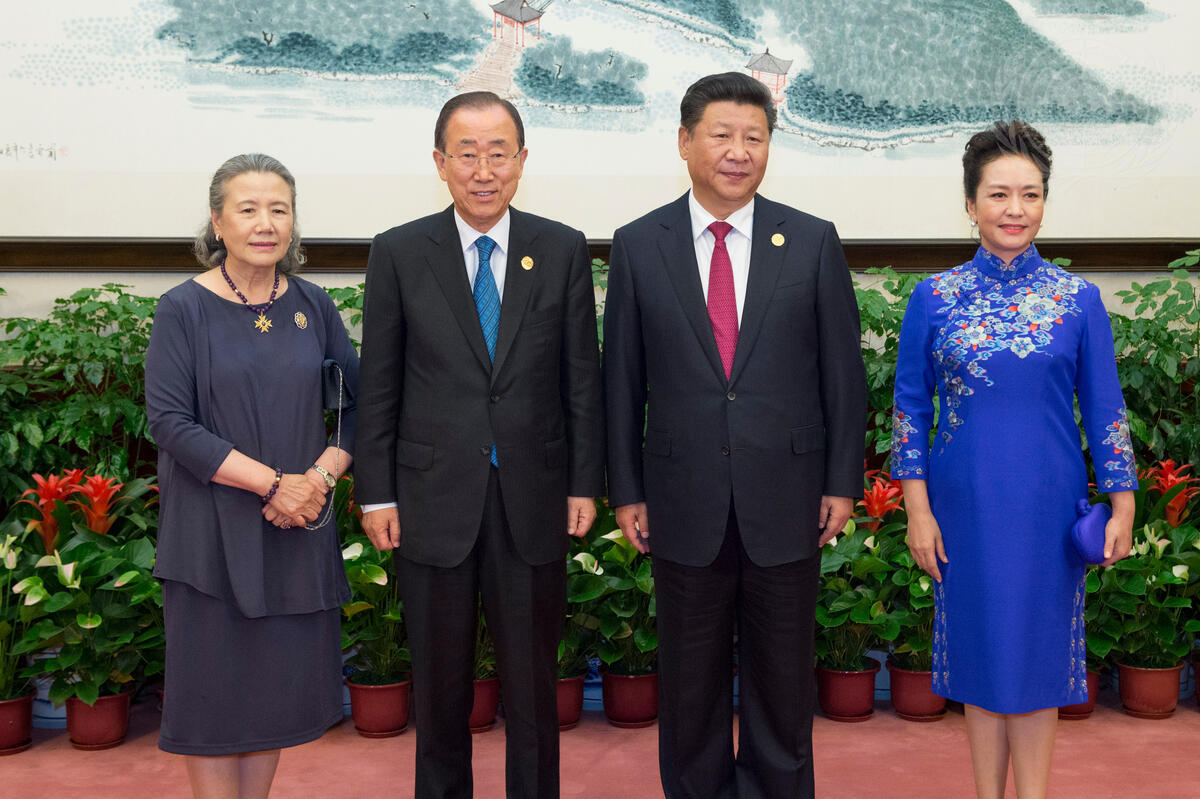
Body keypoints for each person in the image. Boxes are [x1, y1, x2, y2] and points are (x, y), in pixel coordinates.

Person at [603, 72, 868, 799]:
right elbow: (621, 381)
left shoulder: (810, 240)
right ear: (684, 142)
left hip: (788, 497)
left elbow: (843, 378)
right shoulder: (639, 244)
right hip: (680, 498)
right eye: (721, 135)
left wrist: (841, 481)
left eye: (754, 137)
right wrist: (626, 488)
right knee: (689, 687)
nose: (738, 151)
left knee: (783, 685)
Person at [355, 91, 605, 799]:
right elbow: (380, 385)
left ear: (522, 160)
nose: (484, 169)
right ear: (440, 162)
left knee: (534, 691)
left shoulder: (560, 248)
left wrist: (584, 482)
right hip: (431, 499)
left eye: (499, 153)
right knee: (439, 692)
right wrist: (376, 493)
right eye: (467, 153)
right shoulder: (400, 252)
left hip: (534, 497)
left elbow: (581, 379)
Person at [892, 120, 1136, 799]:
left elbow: (1106, 409)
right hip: (963, 508)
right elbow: (909, 410)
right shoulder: (933, 298)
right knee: (982, 658)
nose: (1015, 209)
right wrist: (917, 511)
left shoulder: (1078, 299)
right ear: (970, 204)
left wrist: (1123, 504)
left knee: (1037, 660)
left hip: (1048, 509)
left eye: (1030, 194)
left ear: (1044, 203)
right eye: (999, 194)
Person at [145, 153, 359, 798]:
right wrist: (273, 484)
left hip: (294, 530)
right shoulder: (182, 309)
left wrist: (316, 480)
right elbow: (170, 422)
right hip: (210, 535)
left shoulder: (314, 305)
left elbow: (359, 406)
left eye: (278, 209)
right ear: (217, 222)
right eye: (247, 209)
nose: (265, 223)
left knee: (271, 697)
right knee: (213, 699)